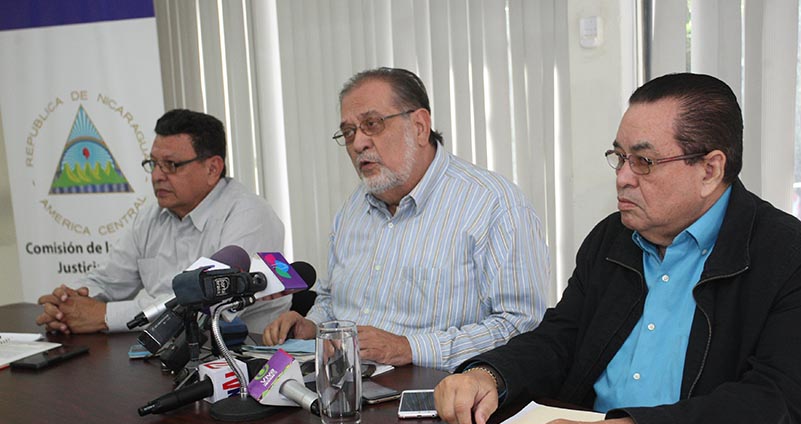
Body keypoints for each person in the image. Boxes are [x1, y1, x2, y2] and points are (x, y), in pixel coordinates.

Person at [435, 72, 801, 424]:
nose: (622, 177)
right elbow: (562, 337)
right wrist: (489, 374)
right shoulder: (612, 238)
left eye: (644, 162)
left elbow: (779, 402)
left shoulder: (794, 258)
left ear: (710, 170)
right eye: (619, 157)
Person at [263, 67, 550, 371]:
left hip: (436, 389)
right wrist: (312, 326)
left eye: (371, 124)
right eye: (348, 132)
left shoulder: (493, 204)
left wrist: (409, 347)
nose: (358, 143)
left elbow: (520, 325)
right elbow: (332, 299)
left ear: (419, 126)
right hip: (345, 383)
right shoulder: (352, 209)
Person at [36, 109, 289, 334]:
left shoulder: (249, 216)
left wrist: (104, 316)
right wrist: (68, 303)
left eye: (171, 165)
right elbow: (108, 280)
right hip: (164, 350)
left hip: (242, 355)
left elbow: (209, 308)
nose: (157, 176)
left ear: (212, 169)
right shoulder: (150, 217)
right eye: (154, 164)